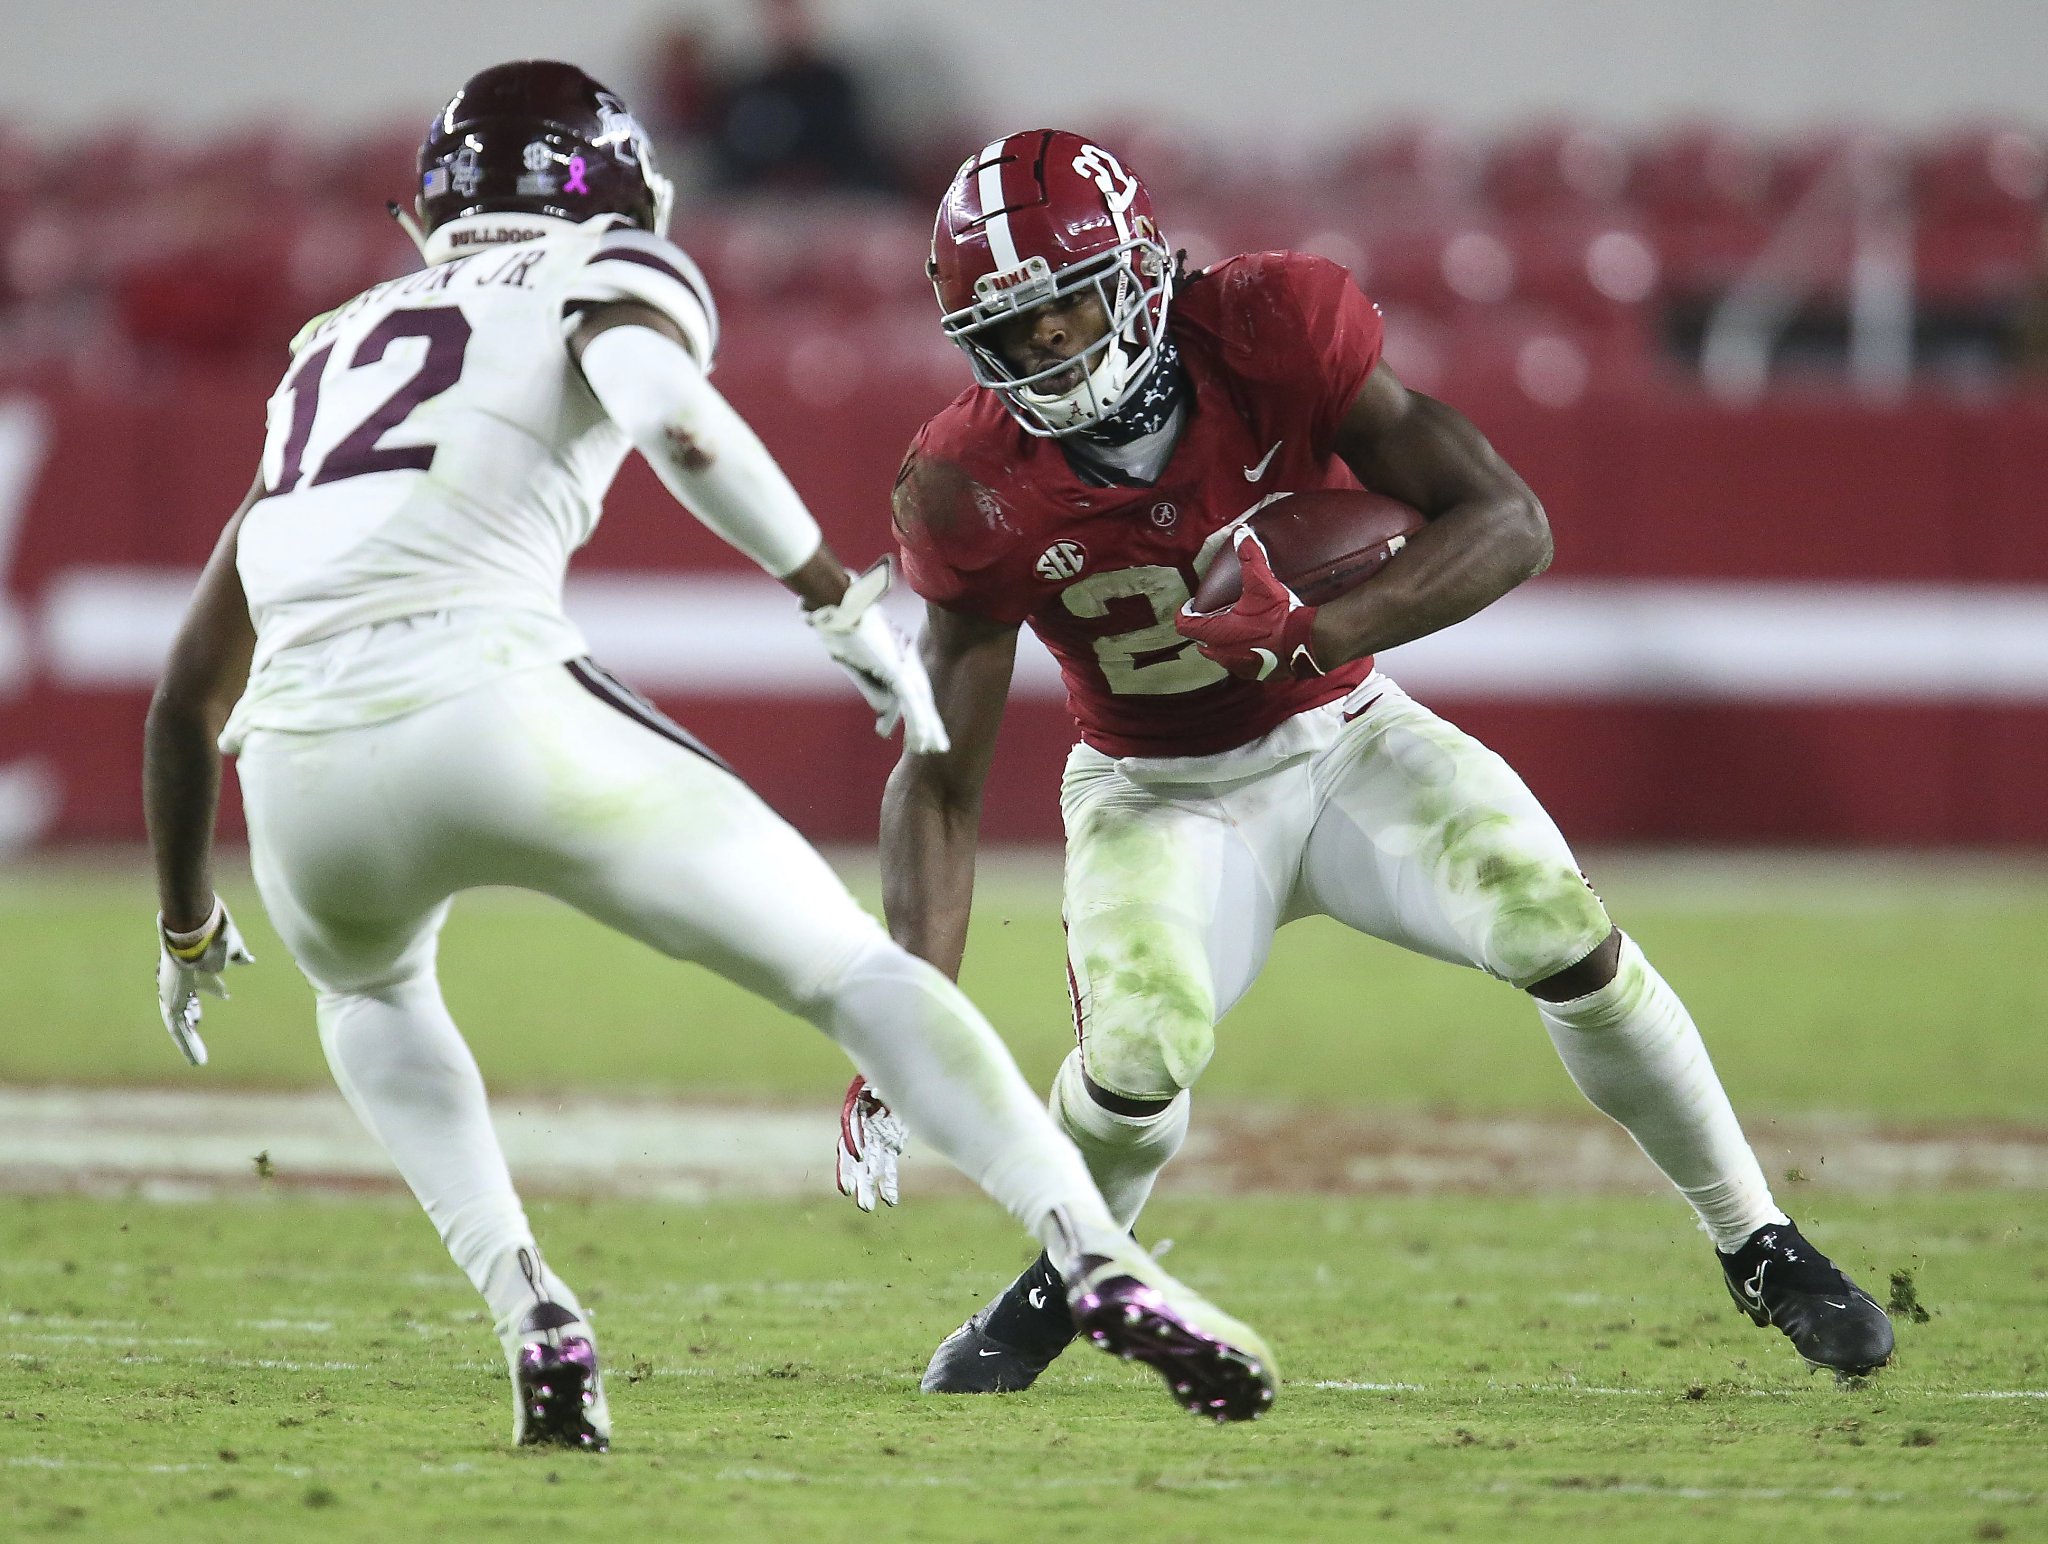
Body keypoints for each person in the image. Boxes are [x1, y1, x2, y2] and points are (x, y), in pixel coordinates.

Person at [142, 70, 1280, 1450]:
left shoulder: (329, 346)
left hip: (302, 775)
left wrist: (188, 922)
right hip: (491, 698)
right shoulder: (598, 262)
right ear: (608, 185)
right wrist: (828, 594)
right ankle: (1095, 1257)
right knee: (852, 973)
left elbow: (189, 687)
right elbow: (673, 417)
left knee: (370, 996)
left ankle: (532, 1311)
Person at [833, 129, 1895, 1394]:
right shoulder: (962, 484)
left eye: (1067, 303)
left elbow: (1509, 521)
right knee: (1136, 1056)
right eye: (1013, 330)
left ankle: (1756, 1239)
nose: (1049, 346)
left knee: (1562, 933)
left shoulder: (1271, 330)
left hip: (1347, 738)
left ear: (1138, 272)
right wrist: (901, 1020)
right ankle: (1068, 1275)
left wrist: (1318, 632)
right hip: (1154, 790)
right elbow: (940, 773)